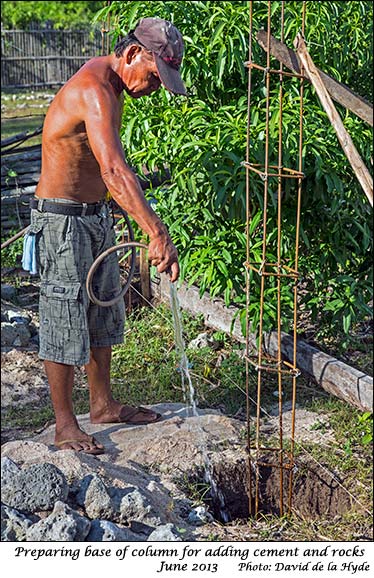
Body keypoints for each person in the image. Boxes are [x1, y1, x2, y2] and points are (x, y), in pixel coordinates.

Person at [27, 17, 187, 454]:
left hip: (94, 216)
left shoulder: (116, 86)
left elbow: (108, 170)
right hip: (61, 221)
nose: (153, 89)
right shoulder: (94, 89)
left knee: (103, 313)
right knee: (63, 315)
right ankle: (64, 425)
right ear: (134, 53)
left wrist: (133, 220)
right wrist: (157, 232)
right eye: (155, 78)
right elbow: (114, 171)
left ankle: (102, 405)